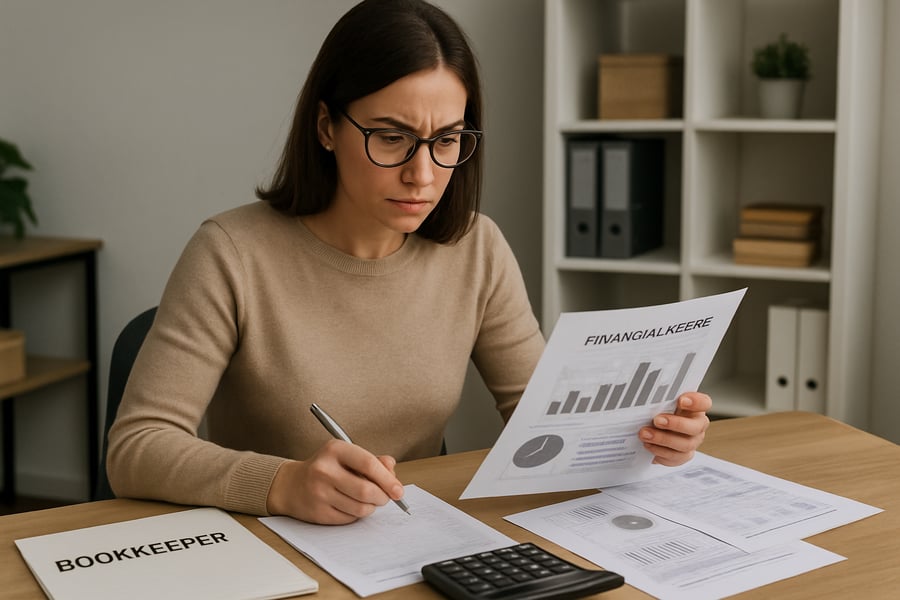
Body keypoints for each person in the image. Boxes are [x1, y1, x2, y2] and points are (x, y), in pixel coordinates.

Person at [107, 0, 711, 526]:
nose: (423, 175)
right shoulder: (231, 252)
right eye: (391, 137)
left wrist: (643, 440)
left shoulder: (477, 248)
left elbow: (544, 418)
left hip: (408, 541)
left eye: (447, 140)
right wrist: (282, 484)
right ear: (326, 127)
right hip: (271, 545)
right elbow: (136, 448)